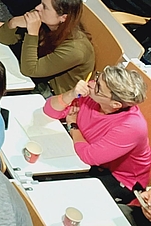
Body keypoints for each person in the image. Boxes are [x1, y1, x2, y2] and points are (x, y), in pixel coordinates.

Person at [42, 63, 151, 204]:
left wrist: (73, 126)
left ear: (115, 105)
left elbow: (90, 157)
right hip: (83, 153)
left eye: (98, 87)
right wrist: (72, 94)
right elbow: (50, 110)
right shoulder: (93, 95)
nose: (91, 84)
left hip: (120, 179)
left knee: (60, 192)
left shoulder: (131, 127)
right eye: (98, 78)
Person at [0, 0, 95, 97]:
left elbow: (29, 70)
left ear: (63, 18)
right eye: (41, 2)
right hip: (35, 72)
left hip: (52, 92)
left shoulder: (75, 49)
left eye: (45, 7)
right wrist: (13, 22)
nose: (38, 7)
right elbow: (2, 39)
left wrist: (32, 33)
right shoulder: (43, 17)